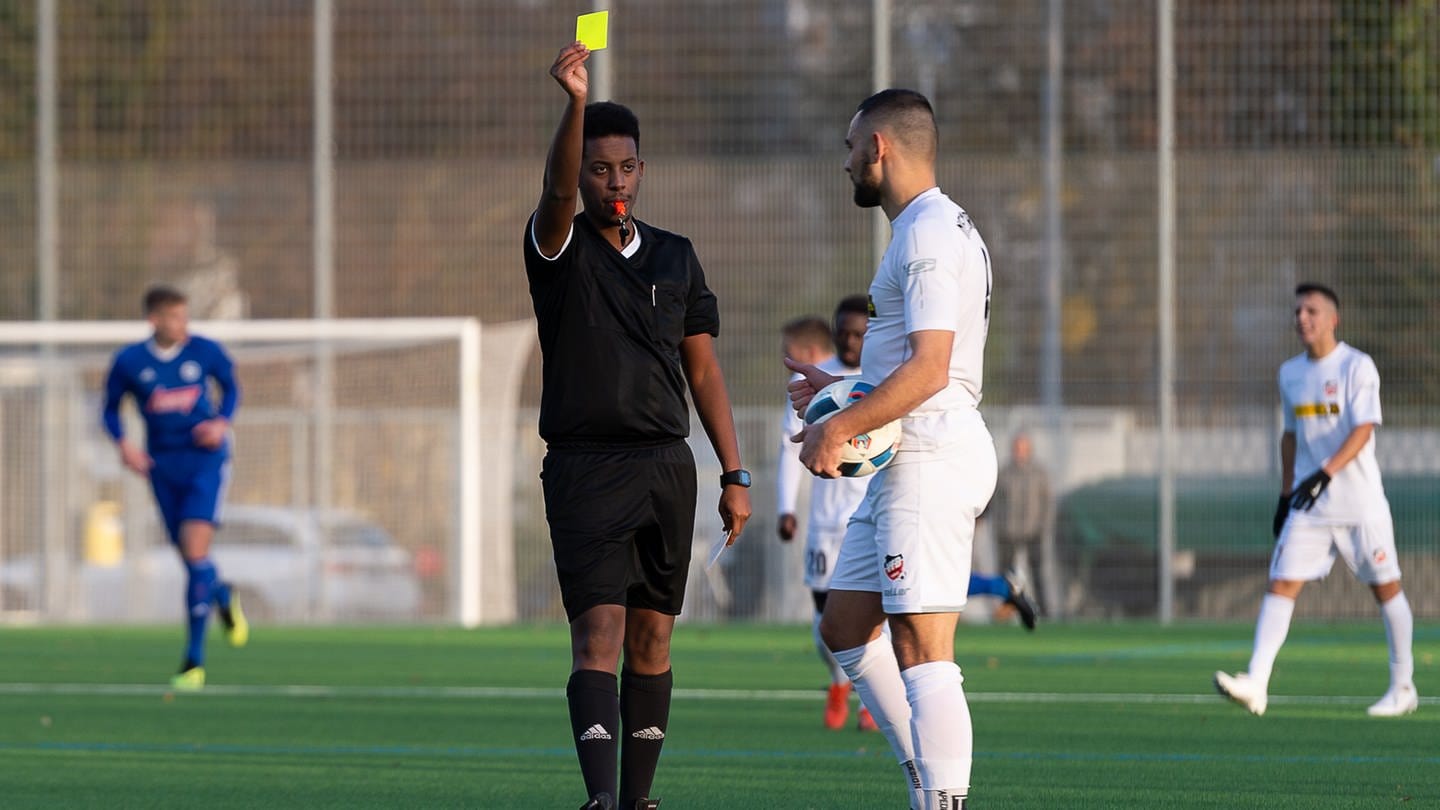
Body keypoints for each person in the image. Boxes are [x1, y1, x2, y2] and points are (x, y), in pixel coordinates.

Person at [526, 42, 752, 810]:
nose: (612, 180)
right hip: (586, 467)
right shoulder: (557, 248)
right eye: (598, 168)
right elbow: (555, 194)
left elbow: (705, 371)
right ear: (580, 175)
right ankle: (598, 799)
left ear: (641, 172)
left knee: (655, 638)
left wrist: (734, 472)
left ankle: (638, 800)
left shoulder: (677, 258)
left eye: (624, 167)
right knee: (600, 633)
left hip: (667, 469)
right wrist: (574, 104)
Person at [789, 88, 996, 810]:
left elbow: (932, 368)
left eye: (851, 148)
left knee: (921, 646)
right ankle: (930, 782)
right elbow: (901, 362)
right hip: (905, 458)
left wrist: (837, 428)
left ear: (879, 147)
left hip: (932, 456)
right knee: (845, 627)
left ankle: (942, 799)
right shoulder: (927, 228)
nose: (845, 164)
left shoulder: (928, 234)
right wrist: (836, 387)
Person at [776, 305, 1036, 732]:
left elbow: (918, 401)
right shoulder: (816, 380)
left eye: (860, 333)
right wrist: (787, 507)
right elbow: (791, 446)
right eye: (845, 332)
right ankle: (847, 685)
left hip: (877, 510)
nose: (851, 340)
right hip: (825, 523)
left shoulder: (888, 381)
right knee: (832, 623)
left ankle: (876, 712)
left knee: (909, 615)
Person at [1214, 283, 1417, 718]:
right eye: (1297, 312)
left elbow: (1364, 429)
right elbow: (1290, 436)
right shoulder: (1290, 373)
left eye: (1311, 310)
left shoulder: (1357, 367)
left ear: (1332, 319)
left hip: (1359, 504)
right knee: (1281, 584)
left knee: (1386, 588)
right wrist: (1286, 493)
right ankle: (1257, 682)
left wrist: (1326, 472)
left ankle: (1403, 686)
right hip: (1309, 504)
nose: (1302, 318)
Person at [102, 285, 248, 691]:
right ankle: (221, 595)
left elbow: (232, 388)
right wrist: (124, 446)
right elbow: (111, 409)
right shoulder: (130, 361)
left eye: (185, 317)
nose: (182, 325)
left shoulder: (205, 351)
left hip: (206, 462)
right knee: (191, 559)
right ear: (154, 320)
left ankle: (193, 662)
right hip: (162, 467)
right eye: (174, 318)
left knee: (196, 549)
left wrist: (221, 423)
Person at [989, 432, 1053, 614]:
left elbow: (1047, 502)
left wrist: (1042, 526)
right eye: (1017, 448)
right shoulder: (1005, 473)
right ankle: (1007, 610)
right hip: (1008, 532)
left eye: (1023, 448)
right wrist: (999, 526)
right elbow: (995, 501)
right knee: (1007, 576)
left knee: (1037, 574)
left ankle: (1044, 611)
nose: (1019, 452)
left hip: (1033, 531)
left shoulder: (1039, 473)